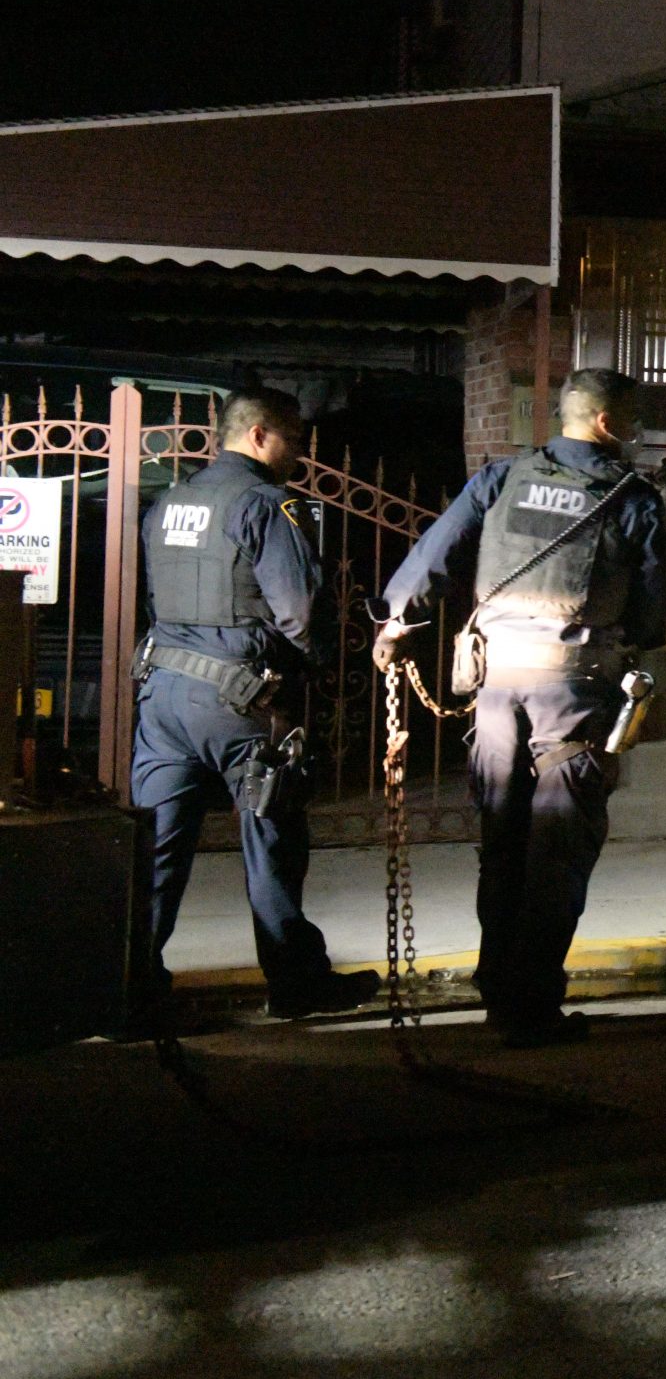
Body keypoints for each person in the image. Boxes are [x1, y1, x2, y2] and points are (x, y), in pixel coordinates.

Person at [373, 369, 666, 1048]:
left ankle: (496, 987)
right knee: (557, 855)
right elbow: (651, 613)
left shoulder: (500, 478)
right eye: (631, 417)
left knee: (501, 848)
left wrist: (396, 623)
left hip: (497, 691)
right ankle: (529, 1006)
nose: (636, 428)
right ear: (605, 422)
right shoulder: (634, 496)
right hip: (575, 693)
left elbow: (432, 556)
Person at [133, 388, 380, 1022]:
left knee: (155, 850)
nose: (300, 451)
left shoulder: (168, 502)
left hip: (162, 697)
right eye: (295, 438)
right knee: (272, 839)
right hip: (242, 699)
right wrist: (325, 658)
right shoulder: (270, 505)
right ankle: (296, 984)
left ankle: (129, 989)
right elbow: (297, 612)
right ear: (261, 434)